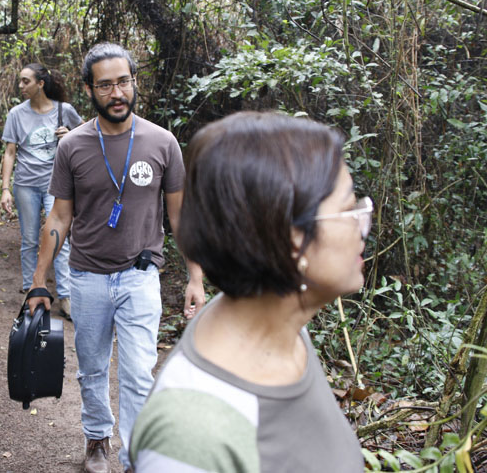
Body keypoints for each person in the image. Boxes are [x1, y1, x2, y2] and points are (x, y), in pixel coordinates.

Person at [129, 112, 368, 472]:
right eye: (349, 209)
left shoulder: (286, 327)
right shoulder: (190, 440)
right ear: (292, 238)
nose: (363, 223)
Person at [26, 43, 205, 473]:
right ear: (89, 89)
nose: (116, 92)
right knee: (91, 368)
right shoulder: (73, 147)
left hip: (140, 275)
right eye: (105, 85)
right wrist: (38, 281)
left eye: (123, 81)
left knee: (139, 372)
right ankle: (96, 442)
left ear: (134, 82)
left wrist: (196, 278)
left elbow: (181, 218)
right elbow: (59, 216)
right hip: (86, 276)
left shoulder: (162, 143)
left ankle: (135, 457)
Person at [0, 63, 83, 316]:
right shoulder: (16, 114)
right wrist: (5, 188)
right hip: (25, 183)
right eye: (20, 81)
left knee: (59, 239)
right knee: (29, 239)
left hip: (55, 184)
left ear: (41, 83)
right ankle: (32, 290)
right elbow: (10, 152)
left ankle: (66, 296)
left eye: (26, 81)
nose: (21, 86)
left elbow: (85, 136)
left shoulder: (63, 110)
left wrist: (69, 134)